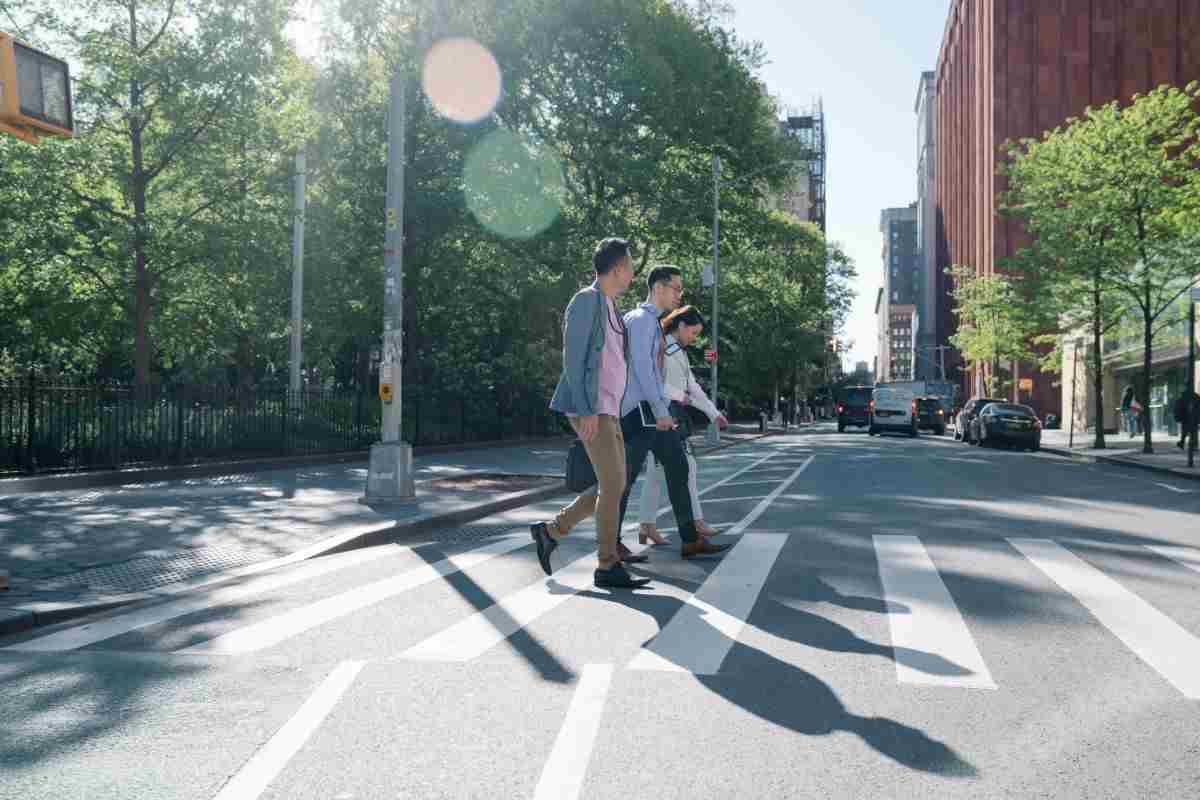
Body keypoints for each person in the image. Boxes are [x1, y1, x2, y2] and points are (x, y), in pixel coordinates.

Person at [529, 238, 650, 590]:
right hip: (591, 408)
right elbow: (573, 361)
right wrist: (585, 411)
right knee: (614, 484)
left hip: (608, 409)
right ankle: (606, 564)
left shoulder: (611, 307)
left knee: (612, 483)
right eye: (628, 266)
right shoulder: (586, 301)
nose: (631, 272)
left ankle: (551, 531)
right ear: (616, 269)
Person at [617, 266, 729, 561]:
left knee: (679, 468)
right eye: (676, 288)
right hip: (638, 413)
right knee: (622, 481)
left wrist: (663, 410)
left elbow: (656, 373)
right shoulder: (641, 321)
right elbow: (643, 370)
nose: (679, 294)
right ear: (657, 287)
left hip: (653, 413)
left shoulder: (652, 324)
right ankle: (600, 540)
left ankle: (690, 540)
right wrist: (660, 409)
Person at [637, 306, 729, 544]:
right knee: (685, 467)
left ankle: (647, 526)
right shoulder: (663, 347)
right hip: (661, 414)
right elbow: (653, 382)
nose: (694, 338)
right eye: (693, 333)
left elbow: (694, 387)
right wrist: (682, 397)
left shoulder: (678, 351)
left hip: (668, 415)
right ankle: (694, 523)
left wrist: (713, 413)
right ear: (681, 326)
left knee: (657, 473)